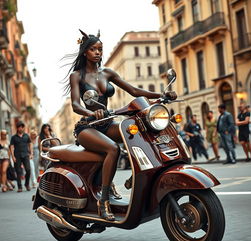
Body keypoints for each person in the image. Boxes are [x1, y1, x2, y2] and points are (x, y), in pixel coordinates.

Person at [66, 29, 177, 221]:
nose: (98, 52)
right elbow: (76, 104)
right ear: (85, 52)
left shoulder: (107, 72)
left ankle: (138, 178)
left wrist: (161, 95)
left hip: (107, 123)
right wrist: (91, 112)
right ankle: (104, 201)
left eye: (100, 49)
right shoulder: (77, 76)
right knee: (112, 150)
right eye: (93, 49)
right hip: (88, 127)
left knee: (142, 133)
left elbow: (133, 90)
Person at [10, 121, 33, 192]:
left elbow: (30, 144)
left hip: (26, 155)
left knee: (28, 170)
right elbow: (11, 147)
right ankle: (20, 187)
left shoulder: (26, 136)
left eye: (21, 127)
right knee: (18, 171)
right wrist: (13, 156)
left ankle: (27, 184)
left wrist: (31, 153)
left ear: (23, 128)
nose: (20, 128)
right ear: (17, 128)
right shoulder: (13, 137)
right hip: (17, 156)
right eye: (19, 127)